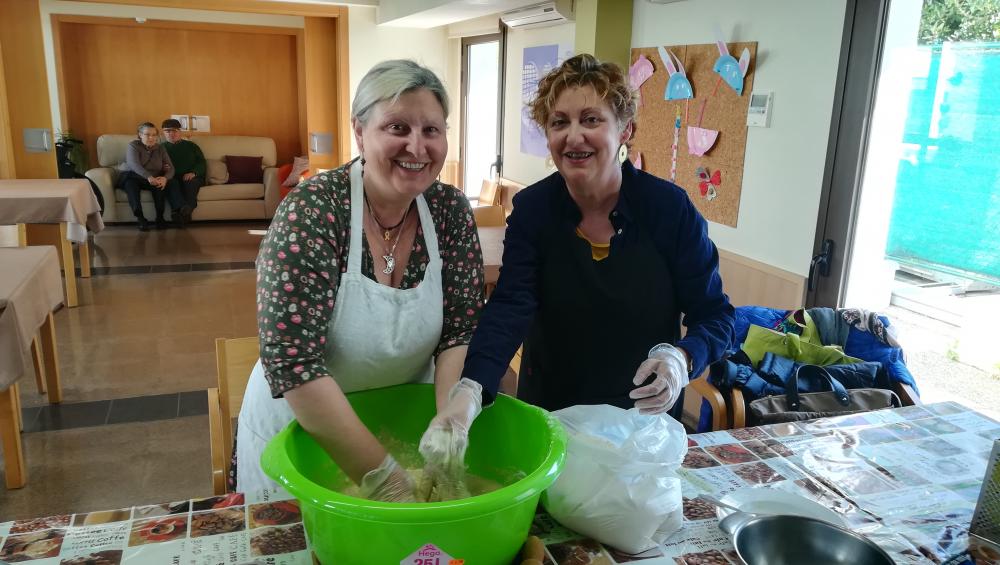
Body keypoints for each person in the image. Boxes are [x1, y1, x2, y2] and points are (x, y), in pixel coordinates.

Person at [421, 54, 735, 464]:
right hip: (552, 414)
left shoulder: (668, 210)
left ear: (625, 130)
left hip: (640, 424)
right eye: (559, 122)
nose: (573, 136)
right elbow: (511, 306)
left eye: (591, 120)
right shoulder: (534, 210)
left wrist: (682, 358)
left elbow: (715, 316)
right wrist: (471, 388)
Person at [234, 59, 485, 501]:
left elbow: (460, 332)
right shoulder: (315, 210)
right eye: (397, 127)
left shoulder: (449, 211)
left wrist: (448, 426)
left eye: (431, 130)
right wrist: (385, 478)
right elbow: (293, 360)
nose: (417, 146)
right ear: (360, 131)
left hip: (402, 425)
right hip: (305, 431)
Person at [120, 122, 184, 231]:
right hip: (135, 176)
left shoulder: (160, 148)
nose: (151, 138)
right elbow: (134, 164)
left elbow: (171, 168)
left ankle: (160, 218)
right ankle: (140, 218)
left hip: (154, 177)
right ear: (140, 135)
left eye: (154, 135)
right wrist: (148, 176)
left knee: (159, 185)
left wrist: (165, 178)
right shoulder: (133, 145)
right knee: (130, 184)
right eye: (147, 134)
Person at [160, 118, 205, 225]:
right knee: (171, 183)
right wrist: (162, 168)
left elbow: (201, 162)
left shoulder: (191, 146)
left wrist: (193, 173)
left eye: (174, 130)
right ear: (163, 133)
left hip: (192, 177)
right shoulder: (160, 148)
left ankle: (178, 212)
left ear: (180, 131)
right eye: (167, 131)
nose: (171, 133)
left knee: (190, 182)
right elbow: (154, 165)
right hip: (172, 177)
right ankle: (184, 211)